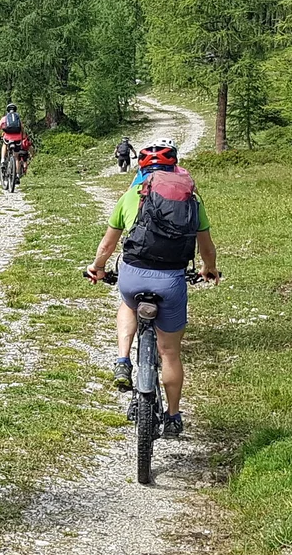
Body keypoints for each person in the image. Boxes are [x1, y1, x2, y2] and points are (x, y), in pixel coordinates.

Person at [85, 140, 220, 439]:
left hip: (133, 275)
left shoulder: (131, 194)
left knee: (127, 304)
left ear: (141, 168)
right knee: (170, 353)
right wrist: (208, 269)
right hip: (171, 280)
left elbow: (107, 245)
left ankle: (123, 360)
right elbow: (206, 248)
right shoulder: (191, 200)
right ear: (175, 167)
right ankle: (172, 416)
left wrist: (98, 267)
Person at [0, 101, 33, 178]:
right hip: (17, 138)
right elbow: (22, 129)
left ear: (7, 110)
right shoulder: (18, 118)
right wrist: (23, 137)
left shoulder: (4, 118)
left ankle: (2, 160)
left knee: (4, 144)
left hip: (7, 137)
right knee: (16, 157)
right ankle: (16, 175)